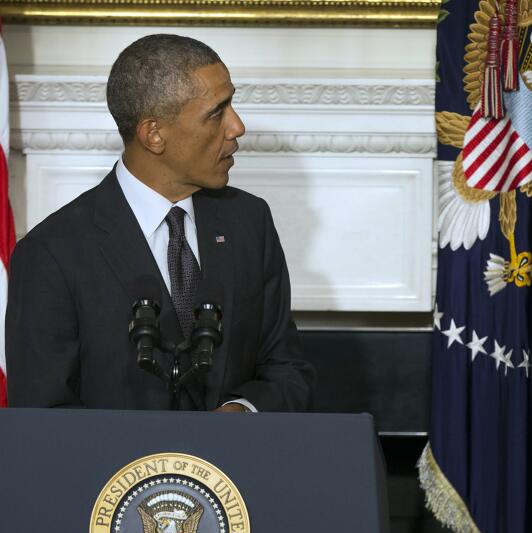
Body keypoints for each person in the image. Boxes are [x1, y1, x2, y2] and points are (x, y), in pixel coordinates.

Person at [6, 34, 315, 412]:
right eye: (217, 113)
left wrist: (243, 412)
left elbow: (287, 369)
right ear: (154, 134)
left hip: (239, 467)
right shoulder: (52, 254)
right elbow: (42, 417)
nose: (237, 127)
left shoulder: (249, 222)